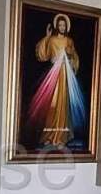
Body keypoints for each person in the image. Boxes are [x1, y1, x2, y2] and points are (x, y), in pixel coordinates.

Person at [25, 13, 86, 149]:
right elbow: (43, 55)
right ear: (56, 26)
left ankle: (61, 137)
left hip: (65, 75)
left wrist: (70, 56)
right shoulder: (52, 40)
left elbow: (74, 58)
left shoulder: (69, 41)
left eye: (64, 25)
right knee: (51, 105)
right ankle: (49, 136)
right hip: (52, 75)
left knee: (62, 106)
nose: (62, 27)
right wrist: (46, 37)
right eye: (60, 25)